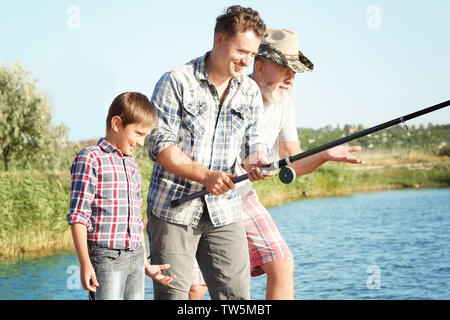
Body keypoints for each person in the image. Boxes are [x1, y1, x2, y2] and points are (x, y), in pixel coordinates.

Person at [189, 29, 363, 300]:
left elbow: (292, 161)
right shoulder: (231, 94)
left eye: (295, 72)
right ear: (259, 67)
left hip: (243, 197)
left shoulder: (284, 104)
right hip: (201, 197)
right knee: (196, 287)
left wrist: (325, 154)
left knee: (281, 262)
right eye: (285, 68)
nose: (291, 78)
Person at [146, 5, 271, 300]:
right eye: (242, 51)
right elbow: (159, 145)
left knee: (237, 300)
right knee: (173, 299)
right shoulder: (176, 81)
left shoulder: (250, 91)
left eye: (253, 55)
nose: (247, 61)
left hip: (225, 211)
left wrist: (258, 163)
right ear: (219, 41)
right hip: (172, 211)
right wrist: (205, 176)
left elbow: (254, 145)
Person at [67, 92, 175, 300]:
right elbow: (78, 216)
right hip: (107, 258)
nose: (141, 143)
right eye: (138, 134)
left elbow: (136, 222)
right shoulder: (90, 158)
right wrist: (85, 263)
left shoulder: (131, 164)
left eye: (145, 136)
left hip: (135, 256)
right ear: (117, 123)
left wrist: (144, 263)